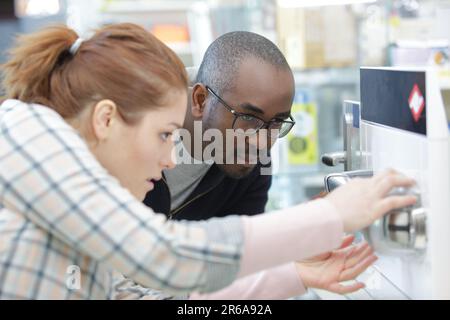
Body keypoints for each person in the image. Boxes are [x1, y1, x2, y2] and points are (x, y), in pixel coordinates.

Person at [0, 23, 417, 299]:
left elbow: (165, 295)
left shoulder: (93, 240)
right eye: (165, 135)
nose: (169, 159)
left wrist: (293, 274)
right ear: (106, 118)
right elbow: (165, 255)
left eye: (276, 124)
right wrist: (327, 217)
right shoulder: (26, 133)